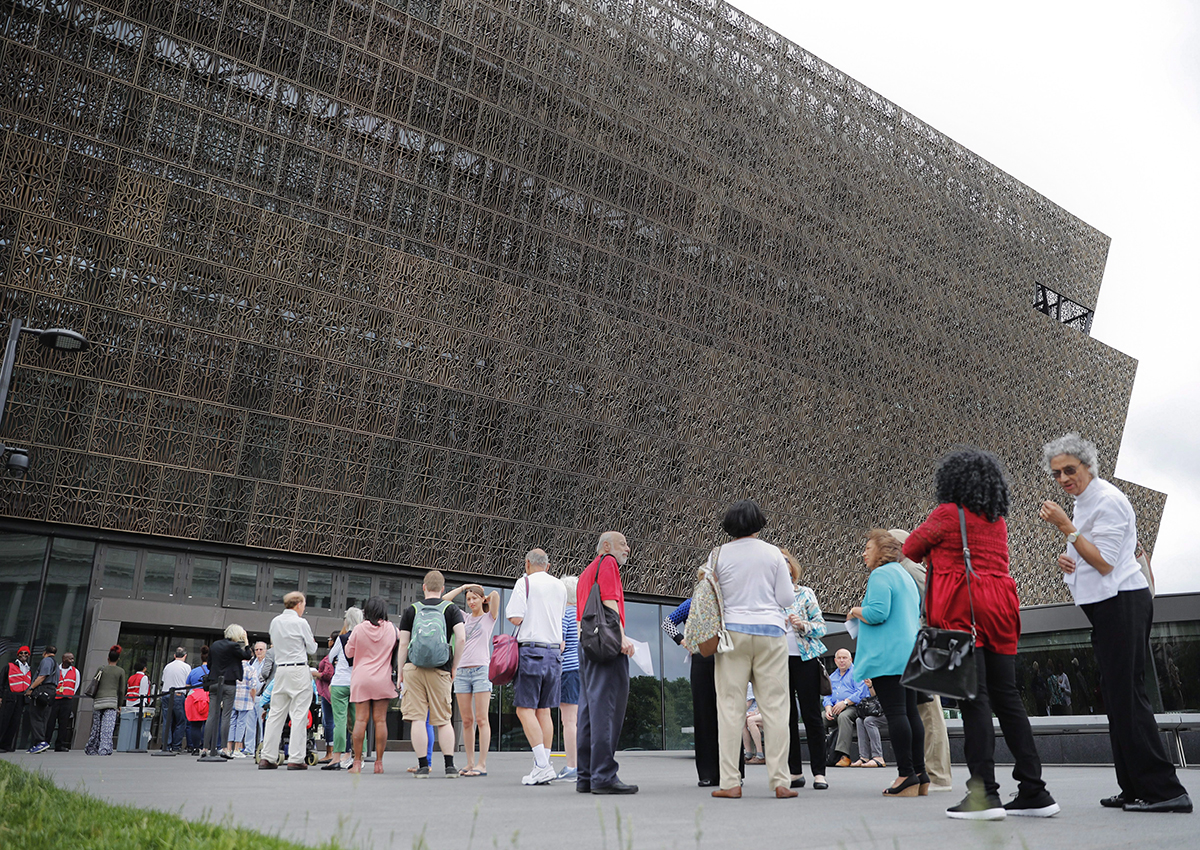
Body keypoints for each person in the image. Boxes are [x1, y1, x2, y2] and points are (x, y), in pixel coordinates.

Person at [1039, 432, 1192, 814]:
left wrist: (1065, 529)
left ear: (1088, 465)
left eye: (1069, 470)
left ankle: (1165, 790)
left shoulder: (1107, 500)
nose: (1062, 479)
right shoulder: (1084, 503)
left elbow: (1107, 562)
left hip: (1123, 603)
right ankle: (1135, 786)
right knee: (1116, 699)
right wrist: (1070, 556)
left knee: (1128, 697)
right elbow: (1094, 554)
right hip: (1109, 607)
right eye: (1056, 474)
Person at [905, 447, 1057, 819]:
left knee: (975, 699)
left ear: (951, 482)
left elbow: (910, 547)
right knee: (1008, 697)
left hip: (964, 611)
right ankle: (1034, 791)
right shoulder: (997, 519)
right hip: (1002, 608)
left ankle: (984, 794)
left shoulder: (946, 514)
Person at [709, 501, 795, 800]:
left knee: (730, 708)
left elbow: (711, 595)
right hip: (771, 632)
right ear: (759, 523)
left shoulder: (717, 554)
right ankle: (781, 780)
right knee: (775, 707)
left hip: (732, 633)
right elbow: (786, 598)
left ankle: (730, 782)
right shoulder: (772, 553)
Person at [847, 529, 925, 798]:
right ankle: (920, 773)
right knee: (911, 713)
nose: (864, 553)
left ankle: (905, 775)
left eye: (868, 548)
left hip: (887, 656)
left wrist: (856, 611)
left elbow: (877, 613)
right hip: (909, 654)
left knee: (896, 714)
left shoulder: (880, 575)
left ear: (881, 550)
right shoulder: (904, 574)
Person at [889, 528, 954, 793]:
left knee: (928, 712)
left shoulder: (910, 570)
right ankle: (930, 773)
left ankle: (938, 776)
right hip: (919, 645)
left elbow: (932, 608)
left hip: (923, 646)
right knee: (922, 710)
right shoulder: (904, 569)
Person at [575, 531, 639, 795]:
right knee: (608, 710)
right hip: (607, 645)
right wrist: (622, 638)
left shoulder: (584, 573)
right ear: (606, 546)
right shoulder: (608, 563)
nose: (627, 548)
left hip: (587, 644)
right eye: (623, 543)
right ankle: (604, 776)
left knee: (589, 711)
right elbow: (609, 603)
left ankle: (586, 776)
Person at [505, 548, 568, 786]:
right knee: (545, 710)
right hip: (554, 653)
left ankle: (541, 765)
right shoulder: (560, 586)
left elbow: (515, 617)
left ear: (527, 563)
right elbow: (559, 617)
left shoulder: (525, 582)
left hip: (532, 650)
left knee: (524, 709)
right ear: (548, 566)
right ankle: (544, 764)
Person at [397, 570, 465, 778]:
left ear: (423, 587)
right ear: (443, 589)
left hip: (414, 668)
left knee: (417, 719)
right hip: (441, 668)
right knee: (443, 719)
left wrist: (400, 672)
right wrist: (454, 666)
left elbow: (403, 644)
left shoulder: (411, 610)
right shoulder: (451, 609)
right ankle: (450, 766)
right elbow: (461, 639)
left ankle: (423, 767)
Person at [780, 549, 828, 790]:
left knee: (811, 715)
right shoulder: (767, 597)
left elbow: (822, 627)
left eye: (785, 561)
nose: (782, 565)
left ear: (792, 567)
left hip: (805, 659)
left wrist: (803, 625)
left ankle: (820, 773)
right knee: (786, 718)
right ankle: (794, 772)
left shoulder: (805, 593)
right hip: (777, 662)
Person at [443, 582, 499, 777]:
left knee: (482, 719)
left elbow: (495, 595)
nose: (471, 601)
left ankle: (482, 764)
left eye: (474, 598)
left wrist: (483, 595)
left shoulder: (489, 618)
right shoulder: (463, 618)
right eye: (468, 599)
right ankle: (469, 763)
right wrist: (463, 587)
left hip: (481, 670)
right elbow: (443, 601)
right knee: (466, 720)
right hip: (462, 672)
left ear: (481, 599)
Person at [662, 598, 718, 787]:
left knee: (728, 715)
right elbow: (667, 623)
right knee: (703, 716)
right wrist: (683, 642)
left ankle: (732, 771)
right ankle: (707, 773)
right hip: (701, 659)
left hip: (726, 658)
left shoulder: (726, 600)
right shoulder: (692, 603)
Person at [259, 592, 318, 770]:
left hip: (281, 669)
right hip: (298, 669)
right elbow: (312, 648)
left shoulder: (275, 621)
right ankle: (296, 758)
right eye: (304, 604)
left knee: (276, 714)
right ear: (298, 604)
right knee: (299, 714)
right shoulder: (301, 623)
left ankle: (267, 756)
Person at [344, 596, 400, 774]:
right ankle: (379, 763)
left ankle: (357, 763)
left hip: (361, 678)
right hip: (382, 680)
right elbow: (400, 644)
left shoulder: (359, 629)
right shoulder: (392, 629)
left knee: (360, 720)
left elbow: (349, 652)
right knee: (381, 720)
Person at [321, 608, 362, 771]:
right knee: (358, 721)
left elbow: (331, 658)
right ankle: (359, 756)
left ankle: (336, 758)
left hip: (340, 683)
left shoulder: (342, 638)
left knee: (339, 721)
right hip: (357, 683)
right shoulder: (364, 637)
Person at [204, 625, 252, 759]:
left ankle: (205, 747)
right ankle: (225, 748)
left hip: (214, 682)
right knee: (226, 716)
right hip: (229, 683)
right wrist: (246, 641)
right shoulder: (234, 646)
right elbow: (247, 655)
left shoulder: (215, 645)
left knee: (211, 715)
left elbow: (209, 665)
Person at [823, 648, 868, 768]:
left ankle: (844, 756)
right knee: (819, 718)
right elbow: (827, 696)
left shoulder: (857, 673)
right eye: (839, 658)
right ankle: (821, 752)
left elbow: (861, 693)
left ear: (850, 659)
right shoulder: (832, 676)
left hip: (853, 707)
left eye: (845, 658)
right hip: (834, 708)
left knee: (844, 717)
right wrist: (828, 708)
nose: (842, 660)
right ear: (835, 660)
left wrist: (845, 702)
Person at [557, 574, 580, 781]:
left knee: (569, 721)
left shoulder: (564, 614)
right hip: (584, 670)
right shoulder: (581, 615)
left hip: (568, 670)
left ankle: (572, 767)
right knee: (581, 719)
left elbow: (560, 644)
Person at [85, 645, 126, 756]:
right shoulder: (120, 671)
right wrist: (120, 704)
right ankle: (104, 749)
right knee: (107, 727)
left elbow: (95, 683)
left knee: (96, 726)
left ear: (108, 658)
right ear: (118, 659)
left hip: (98, 701)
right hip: (112, 701)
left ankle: (91, 747)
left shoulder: (101, 668)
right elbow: (121, 690)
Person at [26, 646, 59, 753]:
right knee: (44, 716)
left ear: (45, 653)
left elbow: (42, 676)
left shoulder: (47, 661)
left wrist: (31, 688)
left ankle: (40, 741)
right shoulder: (56, 663)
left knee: (36, 715)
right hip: (51, 691)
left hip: (43, 689)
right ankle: (39, 744)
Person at [229, 646, 261, 758]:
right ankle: (237, 748)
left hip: (232, 698)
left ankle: (229, 748)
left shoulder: (233, 667)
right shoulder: (251, 669)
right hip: (245, 699)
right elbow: (253, 687)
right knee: (241, 724)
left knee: (232, 722)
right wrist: (253, 698)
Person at [0, 646, 32, 752]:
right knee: (4, 721)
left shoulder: (28, 669)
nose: (24, 655)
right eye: (22, 653)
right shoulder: (9, 666)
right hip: (9, 696)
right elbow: (1, 682)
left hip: (20, 699)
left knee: (15, 722)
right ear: (18, 655)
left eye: (26, 653)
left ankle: (7, 745)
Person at [160, 648, 190, 753]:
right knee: (180, 721)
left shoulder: (167, 666)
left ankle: (166, 745)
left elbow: (163, 680)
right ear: (185, 656)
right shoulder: (186, 667)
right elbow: (188, 683)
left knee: (167, 721)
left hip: (166, 694)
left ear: (174, 655)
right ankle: (176, 745)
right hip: (178, 694)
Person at [49, 651, 80, 751]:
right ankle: (46, 742)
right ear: (64, 659)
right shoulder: (56, 669)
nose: (72, 660)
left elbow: (76, 685)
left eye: (72, 658)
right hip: (55, 699)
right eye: (70, 658)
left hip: (67, 700)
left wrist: (69, 694)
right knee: (50, 722)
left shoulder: (75, 671)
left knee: (63, 723)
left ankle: (60, 745)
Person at [315, 630, 338, 763]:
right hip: (329, 691)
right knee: (330, 722)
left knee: (329, 722)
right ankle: (333, 751)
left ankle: (330, 752)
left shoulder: (333, 655)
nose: (328, 641)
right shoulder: (337, 654)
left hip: (328, 691)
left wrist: (315, 673)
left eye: (329, 638)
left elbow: (327, 674)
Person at [854, 679, 886, 768]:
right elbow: (875, 696)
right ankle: (864, 757)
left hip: (893, 712)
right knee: (859, 721)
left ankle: (878, 757)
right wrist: (870, 686)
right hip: (881, 710)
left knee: (869, 721)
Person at [185, 645, 209, 753]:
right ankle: (205, 747)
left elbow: (187, 686)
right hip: (208, 697)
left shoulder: (194, 671)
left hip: (194, 697)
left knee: (195, 725)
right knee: (207, 723)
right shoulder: (214, 670)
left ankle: (195, 747)